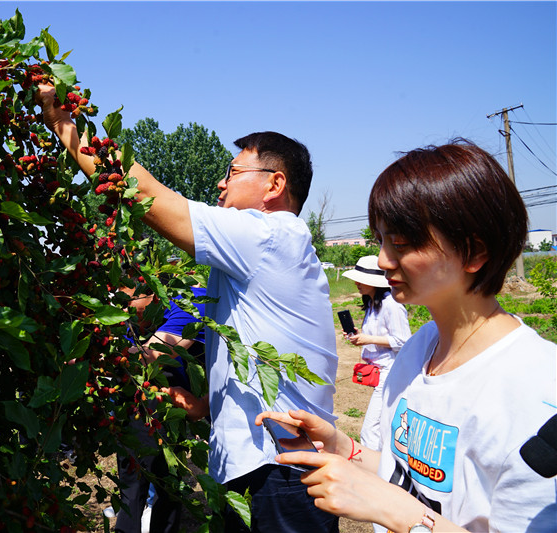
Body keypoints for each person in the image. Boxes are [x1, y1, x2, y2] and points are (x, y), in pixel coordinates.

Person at [36, 86, 339, 532]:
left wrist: (64, 124)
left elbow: (144, 195)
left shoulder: (267, 235)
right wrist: (206, 407)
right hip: (267, 466)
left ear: (274, 185)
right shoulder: (263, 252)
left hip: (282, 471)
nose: (221, 183)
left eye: (232, 172)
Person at [256, 141, 556, 533]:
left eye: (401, 243)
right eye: (380, 240)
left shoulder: (538, 392)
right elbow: (403, 474)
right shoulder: (420, 348)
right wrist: (341, 446)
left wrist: (396, 512)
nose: (383, 260)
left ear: (473, 252)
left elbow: (398, 503)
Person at [115, 285, 206, 533]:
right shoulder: (129, 320)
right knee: (131, 483)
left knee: (167, 483)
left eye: (128, 301)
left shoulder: (190, 305)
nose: (123, 311)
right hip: (137, 399)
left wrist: (96, 357)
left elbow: (147, 356)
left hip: (172, 400)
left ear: (152, 293)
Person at [341, 255, 411, 450]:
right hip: (378, 371)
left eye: (361, 280)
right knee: (382, 425)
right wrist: (359, 336)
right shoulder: (373, 303)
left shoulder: (391, 304)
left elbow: (404, 340)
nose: (356, 283)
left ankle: (372, 465)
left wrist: (368, 339)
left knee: (370, 430)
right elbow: (379, 335)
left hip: (390, 370)